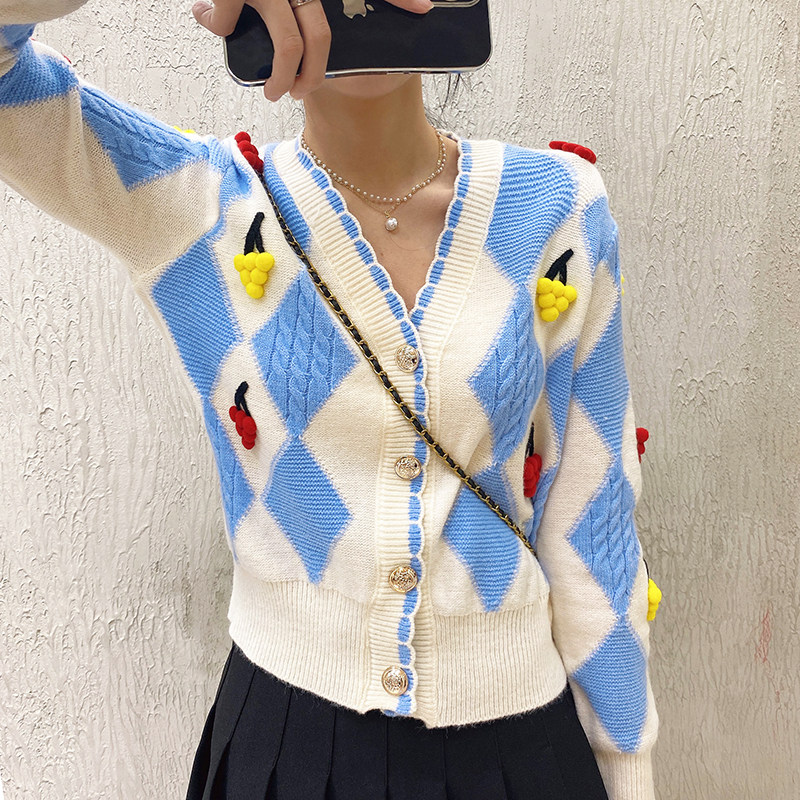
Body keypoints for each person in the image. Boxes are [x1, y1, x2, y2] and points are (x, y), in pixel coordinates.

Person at [0, 1, 659, 798]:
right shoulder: (199, 208)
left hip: (521, 750)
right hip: (286, 747)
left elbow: (593, 522)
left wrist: (629, 769)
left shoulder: (558, 208)